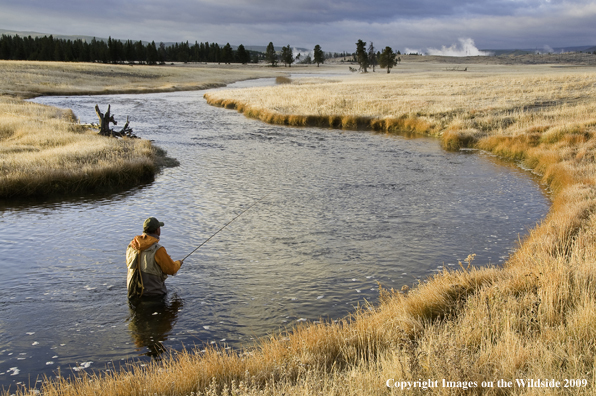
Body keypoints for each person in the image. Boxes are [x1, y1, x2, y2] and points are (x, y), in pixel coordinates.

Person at [126, 217, 183, 298]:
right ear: (157, 230)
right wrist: (179, 263)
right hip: (154, 295)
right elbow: (171, 270)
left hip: (133, 292)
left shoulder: (132, 245)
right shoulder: (158, 250)